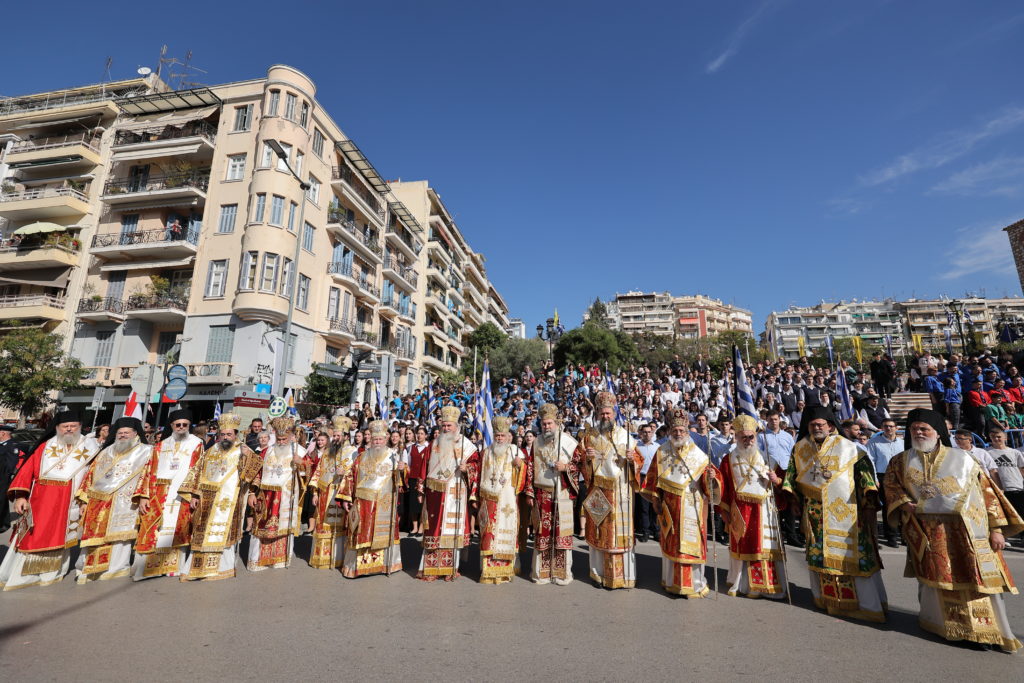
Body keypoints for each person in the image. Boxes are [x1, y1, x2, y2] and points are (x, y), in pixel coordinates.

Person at [884, 409, 1023, 652]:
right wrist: (903, 503)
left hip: (968, 532)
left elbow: (988, 493)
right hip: (929, 532)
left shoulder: (963, 459)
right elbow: (892, 487)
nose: (918, 432)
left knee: (976, 579)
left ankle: (986, 632)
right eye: (914, 428)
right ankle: (948, 627)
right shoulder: (900, 461)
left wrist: (997, 529)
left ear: (938, 433)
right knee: (938, 581)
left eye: (924, 429)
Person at [782, 406, 888, 622]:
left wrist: (869, 504)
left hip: (848, 512)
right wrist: (794, 500)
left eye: (820, 424)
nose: (816, 428)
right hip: (815, 513)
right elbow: (791, 477)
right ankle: (826, 599)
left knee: (855, 556)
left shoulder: (849, 448)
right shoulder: (800, 448)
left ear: (830, 426)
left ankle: (866, 605)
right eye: (812, 425)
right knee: (820, 556)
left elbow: (865, 476)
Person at [0, 411, 100, 591]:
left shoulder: (91, 447)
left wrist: (86, 500)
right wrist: (21, 496)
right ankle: (22, 574)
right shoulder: (44, 446)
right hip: (40, 499)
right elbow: (26, 470)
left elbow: (94, 476)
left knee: (60, 535)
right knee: (32, 534)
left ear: (79, 427)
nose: (69, 429)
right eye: (65, 426)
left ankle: (51, 572)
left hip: (70, 501)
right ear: (57, 428)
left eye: (73, 426)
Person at [641, 411, 722, 597]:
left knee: (691, 545)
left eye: (681, 430)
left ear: (687, 432)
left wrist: (712, 478)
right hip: (669, 507)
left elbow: (710, 484)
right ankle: (671, 581)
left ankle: (695, 583)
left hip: (693, 505)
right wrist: (656, 499)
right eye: (675, 430)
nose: (678, 433)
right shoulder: (662, 452)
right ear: (670, 431)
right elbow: (653, 478)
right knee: (672, 543)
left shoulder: (699, 455)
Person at [178, 413, 261, 581]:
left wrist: (247, 458)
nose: (225, 437)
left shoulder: (244, 450)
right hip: (207, 499)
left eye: (229, 434)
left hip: (229, 500)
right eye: (222, 434)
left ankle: (222, 568)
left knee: (224, 532)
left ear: (235, 434)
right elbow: (197, 472)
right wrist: (194, 494)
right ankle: (197, 568)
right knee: (202, 532)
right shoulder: (211, 450)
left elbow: (253, 473)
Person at [717, 415, 787, 599]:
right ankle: (743, 584)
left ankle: (766, 585)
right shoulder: (728, 459)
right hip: (739, 511)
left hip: (764, 510)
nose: (747, 441)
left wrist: (776, 480)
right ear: (737, 438)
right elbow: (723, 486)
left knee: (765, 545)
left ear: (756, 437)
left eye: (751, 437)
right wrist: (723, 511)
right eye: (743, 437)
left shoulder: (767, 459)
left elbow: (784, 483)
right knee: (743, 545)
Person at [75, 417, 153, 583]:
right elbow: (90, 476)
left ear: (135, 434)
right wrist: (84, 501)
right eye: (120, 433)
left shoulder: (147, 451)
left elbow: (149, 476)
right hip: (98, 501)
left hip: (125, 501)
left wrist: (143, 496)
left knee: (120, 537)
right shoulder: (106, 451)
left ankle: (116, 567)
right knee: (95, 536)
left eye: (127, 432)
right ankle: (89, 568)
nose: (123, 435)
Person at [579, 391, 644, 589]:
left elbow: (640, 461)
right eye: (602, 413)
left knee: (620, 536)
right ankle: (598, 575)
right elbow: (581, 464)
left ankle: (623, 577)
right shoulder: (589, 436)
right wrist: (587, 459)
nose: (605, 417)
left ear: (614, 413)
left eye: (608, 413)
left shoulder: (625, 435)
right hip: (598, 491)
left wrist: (633, 460)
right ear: (597, 413)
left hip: (621, 491)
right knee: (600, 534)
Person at [132, 409, 205, 580]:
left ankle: (173, 567)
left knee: (178, 529)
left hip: (182, 494)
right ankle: (148, 567)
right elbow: (149, 470)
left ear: (189, 426)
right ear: (171, 425)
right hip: (159, 492)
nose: (181, 427)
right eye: (177, 425)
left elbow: (198, 470)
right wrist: (144, 495)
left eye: (185, 425)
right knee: (153, 530)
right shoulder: (161, 445)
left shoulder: (196, 443)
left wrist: (195, 494)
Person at [418, 405, 479, 581]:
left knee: (452, 531)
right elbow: (424, 467)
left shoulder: (466, 445)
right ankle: (430, 569)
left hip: (455, 491)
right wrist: (421, 490)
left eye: (449, 426)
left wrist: (467, 468)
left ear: (456, 426)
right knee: (434, 530)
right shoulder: (434, 444)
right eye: (443, 425)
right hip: (435, 495)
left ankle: (450, 568)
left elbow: (476, 465)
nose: (446, 428)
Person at [523, 403, 580, 585]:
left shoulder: (569, 443)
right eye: (544, 424)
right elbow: (530, 467)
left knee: (561, 533)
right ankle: (542, 572)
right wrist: (530, 492)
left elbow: (580, 466)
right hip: (542, 494)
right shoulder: (537, 442)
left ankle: (561, 573)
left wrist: (566, 468)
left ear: (557, 423)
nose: (546, 427)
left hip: (562, 493)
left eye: (549, 423)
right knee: (543, 534)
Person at [341, 420, 405, 578]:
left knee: (382, 534)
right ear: (370, 439)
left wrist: (403, 470)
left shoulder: (393, 456)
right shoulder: (361, 456)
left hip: (384, 502)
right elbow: (350, 477)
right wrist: (346, 498)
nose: (377, 442)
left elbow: (399, 481)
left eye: (380, 439)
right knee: (362, 533)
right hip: (363, 502)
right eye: (375, 439)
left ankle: (383, 565)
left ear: (385, 439)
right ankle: (358, 567)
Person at [247, 417, 310, 571]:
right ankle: (258, 560)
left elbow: (308, 472)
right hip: (265, 496)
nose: (281, 442)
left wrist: (301, 463)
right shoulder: (266, 451)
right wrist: (252, 493)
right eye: (279, 439)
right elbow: (257, 473)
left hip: (286, 497)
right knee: (262, 528)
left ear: (290, 437)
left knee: (283, 528)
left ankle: (279, 560)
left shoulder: (299, 451)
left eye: (284, 439)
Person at [477, 416, 526, 584]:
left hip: (508, 500)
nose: (499, 438)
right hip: (489, 499)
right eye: (497, 435)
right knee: (489, 534)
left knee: (505, 531)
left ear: (508, 436)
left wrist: (521, 466)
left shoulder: (515, 451)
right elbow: (479, 475)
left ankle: (506, 570)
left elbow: (524, 477)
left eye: (502, 436)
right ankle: (488, 571)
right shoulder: (486, 452)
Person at [308, 415, 356, 570]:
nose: (335, 438)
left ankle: (338, 558)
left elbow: (357, 474)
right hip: (325, 493)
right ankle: (322, 558)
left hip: (342, 494)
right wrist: (315, 492)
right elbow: (318, 472)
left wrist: (346, 472)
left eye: (337, 436)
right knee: (323, 524)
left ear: (346, 436)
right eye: (333, 435)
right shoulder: (328, 451)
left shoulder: (352, 452)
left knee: (340, 527)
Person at [865, 418, 904, 547]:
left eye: (891, 426)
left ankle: (903, 536)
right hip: (883, 476)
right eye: (886, 426)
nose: (889, 429)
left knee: (903, 506)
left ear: (896, 428)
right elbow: (870, 461)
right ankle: (891, 536)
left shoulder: (902, 443)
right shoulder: (874, 442)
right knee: (888, 507)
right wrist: (875, 479)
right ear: (882, 428)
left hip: (900, 477)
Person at [634, 422, 660, 542]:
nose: (647, 434)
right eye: (645, 432)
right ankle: (645, 531)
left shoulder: (657, 447)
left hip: (654, 478)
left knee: (654, 505)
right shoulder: (636, 447)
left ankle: (656, 530)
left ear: (652, 433)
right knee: (644, 506)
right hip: (642, 477)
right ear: (641, 433)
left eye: (649, 432)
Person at [405, 425, 429, 537]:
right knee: (413, 504)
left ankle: (421, 527)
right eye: (418, 433)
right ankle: (414, 528)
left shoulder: (429, 447)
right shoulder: (410, 448)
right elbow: (408, 464)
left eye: (422, 433)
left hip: (424, 479)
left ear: (426, 435)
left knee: (422, 504)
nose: (419, 435)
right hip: (413, 479)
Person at [0, 423, 24, 533]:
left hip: (3, 479)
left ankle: (3, 523)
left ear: (3, 433)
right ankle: (4, 523)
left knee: (1, 500)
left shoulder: (12, 446)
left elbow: (10, 465)